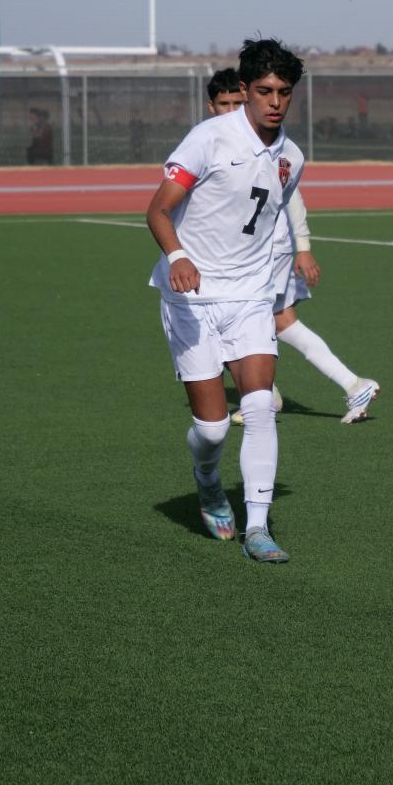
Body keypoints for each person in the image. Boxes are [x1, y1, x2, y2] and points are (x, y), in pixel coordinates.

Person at [144, 38, 307, 563]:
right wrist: (178, 259)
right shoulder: (208, 139)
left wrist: (284, 273)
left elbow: (266, 226)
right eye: (264, 91)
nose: (275, 101)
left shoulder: (293, 157)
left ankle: (258, 528)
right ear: (246, 90)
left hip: (250, 296)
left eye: (284, 92)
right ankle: (208, 482)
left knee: (259, 408)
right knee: (213, 428)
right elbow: (158, 212)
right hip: (191, 297)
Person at [202, 68, 380, 427]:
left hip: (268, 246)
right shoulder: (216, 141)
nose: (232, 109)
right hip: (249, 247)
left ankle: (264, 396)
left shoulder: (265, 141)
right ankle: (351, 384)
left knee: (229, 316)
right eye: (225, 104)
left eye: (237, 102)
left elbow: (291, 193)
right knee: (281, 321)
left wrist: (303, 246)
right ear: (211, 107)